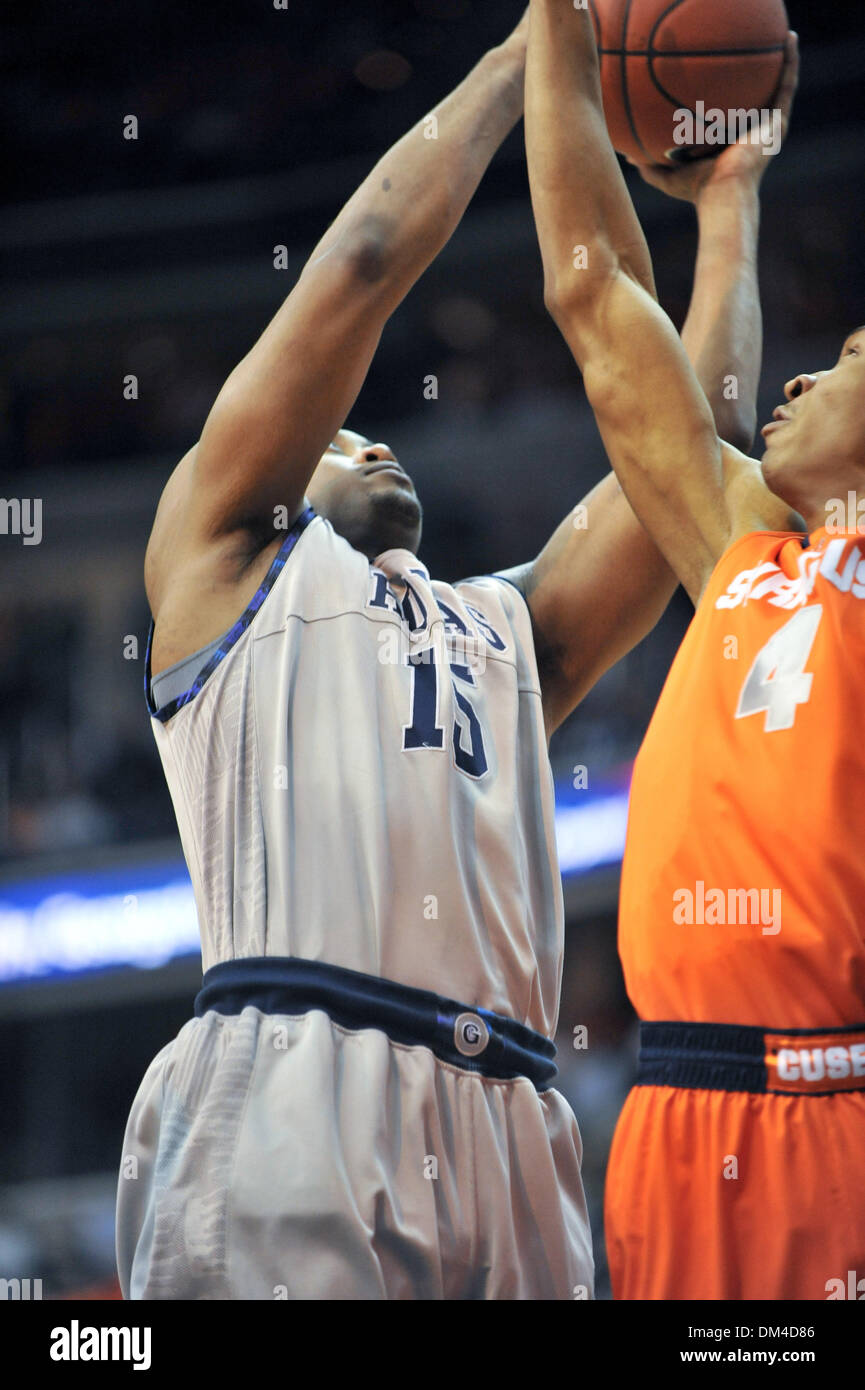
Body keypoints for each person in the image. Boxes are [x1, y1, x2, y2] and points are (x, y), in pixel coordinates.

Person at [117, 9, 773, 1300]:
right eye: (339, 438)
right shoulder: (224, 566)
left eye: (378, 434)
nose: (374, 443)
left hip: (512, 1111)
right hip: (295, 1070)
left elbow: (693, 453)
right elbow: (364, 260)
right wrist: (529, 52)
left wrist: (731, 202)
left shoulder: (503, 628)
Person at [526, 1, 862, 1302]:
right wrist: (727, 198)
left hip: (827, 1104)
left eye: (845, 358)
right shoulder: (746, 553)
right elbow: (595, 303)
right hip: (668, 1115)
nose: (801, 381)